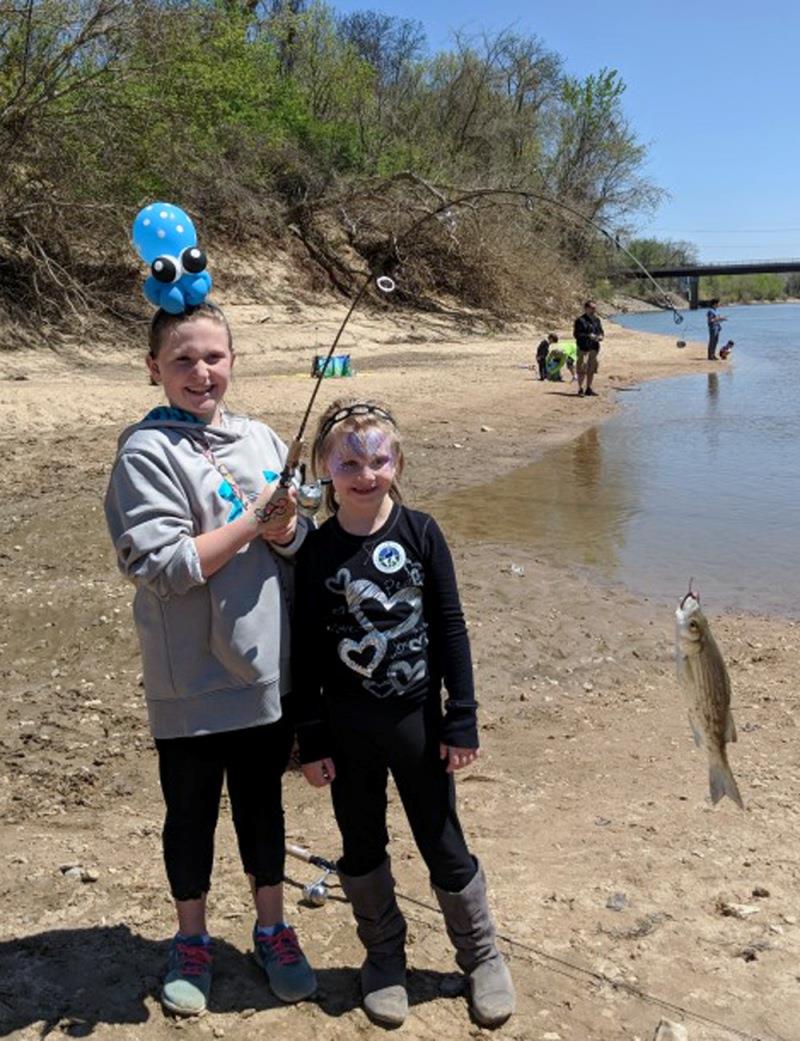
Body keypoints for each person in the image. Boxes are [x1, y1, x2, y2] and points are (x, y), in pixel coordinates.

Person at [104, 302, 317, 1017]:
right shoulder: (144, 452)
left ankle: (272, 927)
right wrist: (256, 520)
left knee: (263, 809)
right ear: (154, 368)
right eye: (184, 359)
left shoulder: (260, 435)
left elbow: (294, 541)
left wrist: (285, 527)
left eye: (214, 357)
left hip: (262, 672)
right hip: (188, 679)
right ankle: (190, 938)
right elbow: (165, 566)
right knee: (189, 813)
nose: (202, 372)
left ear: (234, 360)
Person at [293, 398, 515, 1030]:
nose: (365, 474)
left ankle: (481, 957)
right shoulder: (316, 552)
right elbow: (304, 650)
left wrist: (461, 718)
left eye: (378, 460)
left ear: (399, 462)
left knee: (443, 841)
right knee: (361, 845)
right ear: (325, 469)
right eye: (349, 462)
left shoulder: (422, 532)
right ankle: (384, 957)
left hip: (418, 723)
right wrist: (310, 739)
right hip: (345, 728)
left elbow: (451, 629)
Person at [573, 299, 604, 397]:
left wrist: (600, 336)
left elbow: (601, 331)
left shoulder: (597, 320)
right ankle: (580, 389)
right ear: (586, 308)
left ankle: (589, 388)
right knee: (582, 368)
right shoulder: (580, 320)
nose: (594, 310)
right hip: (583, 348)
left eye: (595, 308)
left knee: (591, 369)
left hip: (594, 348)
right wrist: (588, 335)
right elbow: (576, 334)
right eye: (592, 308)